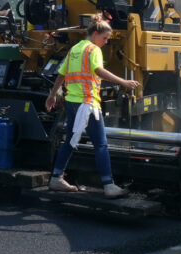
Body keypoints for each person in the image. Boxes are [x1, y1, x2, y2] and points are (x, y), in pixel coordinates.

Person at [45, 14, 140, 199]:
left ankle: (56, 177)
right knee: (101, 144)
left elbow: (61, 75)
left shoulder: (74, 49)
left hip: (72, 103)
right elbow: (98, 70)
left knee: (70, 141)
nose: (105, 42)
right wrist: (124, 82)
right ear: (95, 34)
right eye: (104, 38)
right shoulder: (93, 50)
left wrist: (52, 95)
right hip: (87, 104)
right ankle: (108, 185)